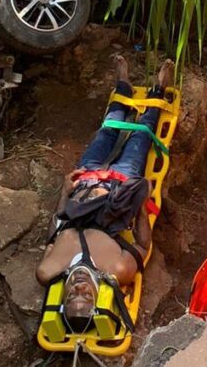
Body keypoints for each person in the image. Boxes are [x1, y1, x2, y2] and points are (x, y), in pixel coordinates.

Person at [36, 55, 173, 333]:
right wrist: (142, 207)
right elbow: (143, 246)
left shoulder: (48, 270)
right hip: (119, 190)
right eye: (87, 296)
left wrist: (65, 191)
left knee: (107, 131)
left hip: (85, 183)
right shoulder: (117, 270)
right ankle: (159, 89)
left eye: (72, 296)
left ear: (62, 299)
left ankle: (122, 85)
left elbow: (56, 228)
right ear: (98, 296)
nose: (80, 289)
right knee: (141, 136)